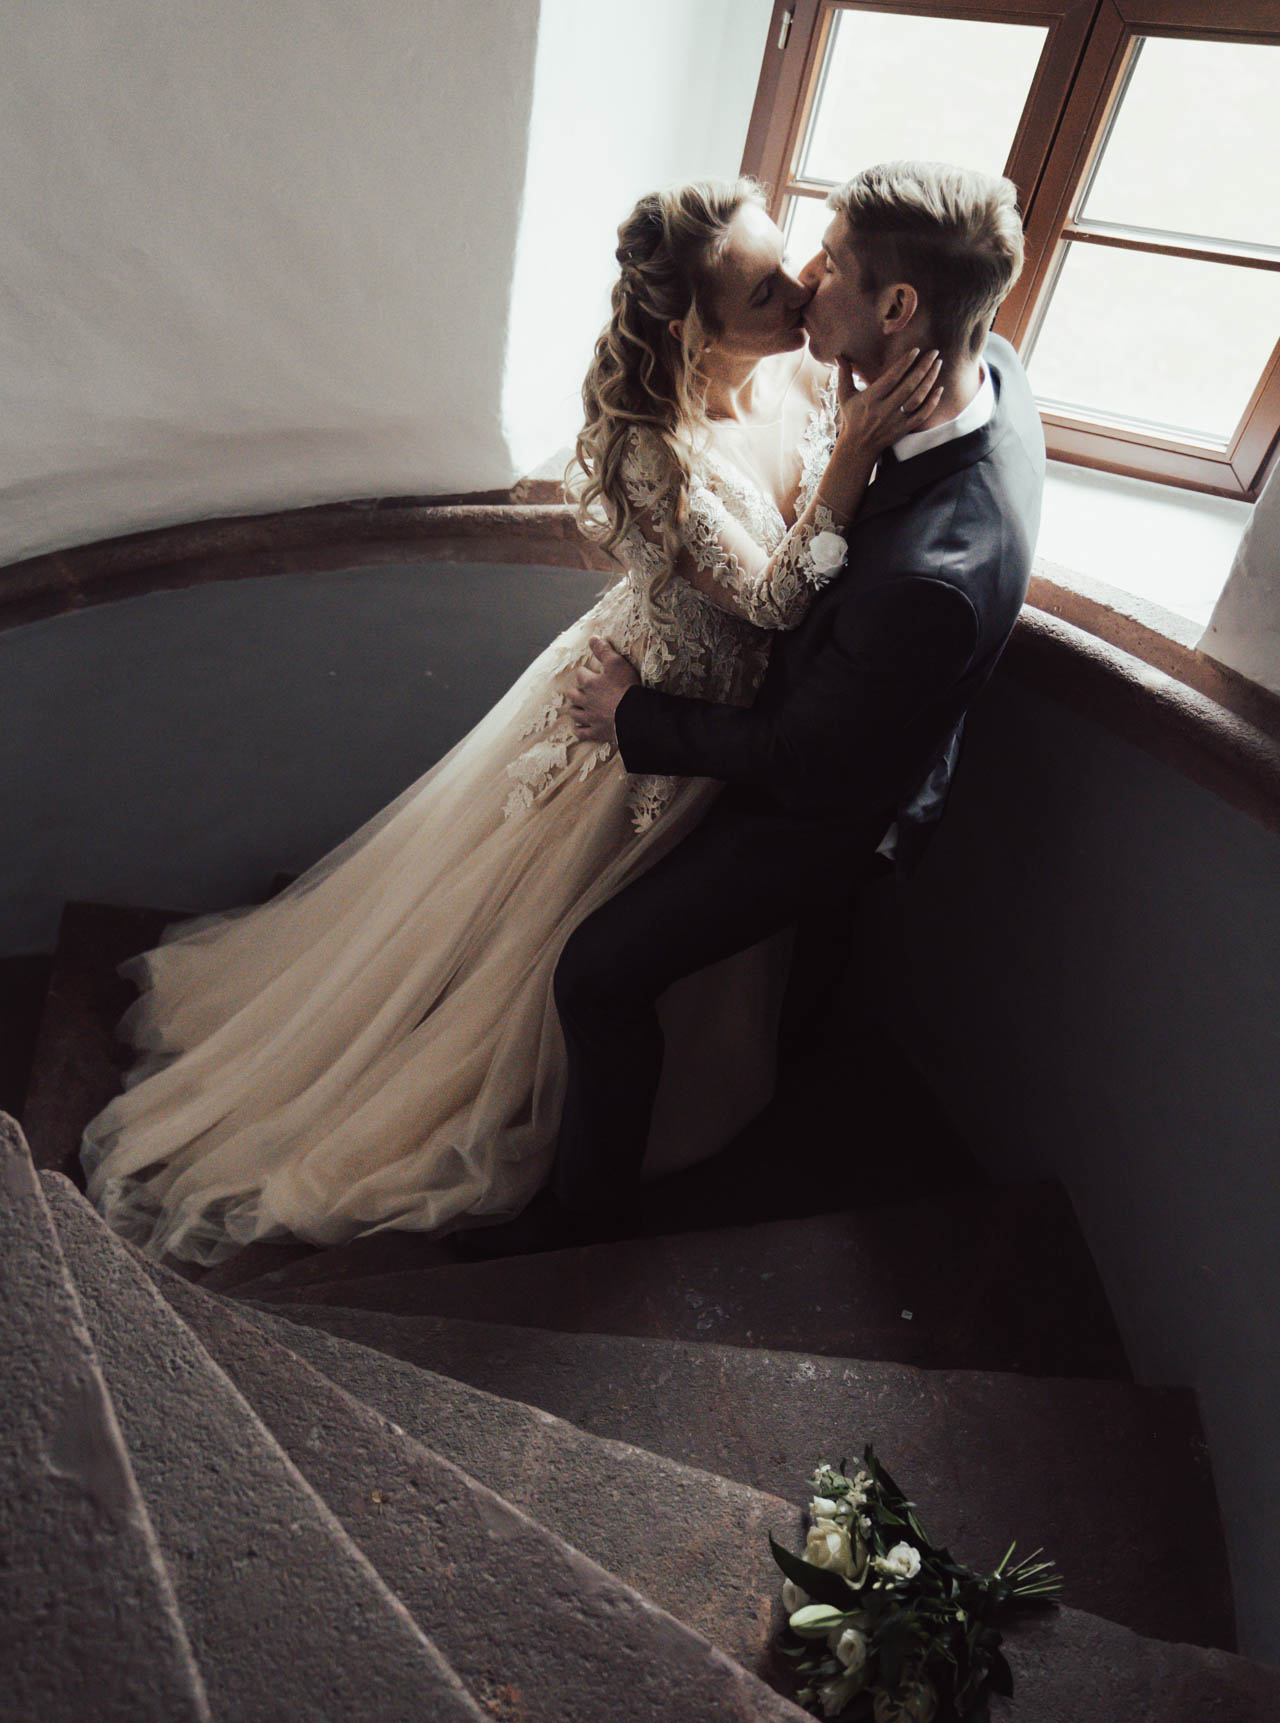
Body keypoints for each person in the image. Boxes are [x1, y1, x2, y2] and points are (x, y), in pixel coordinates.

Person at [80, 176, 940, 1269]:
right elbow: (772, 598)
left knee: (680, 948)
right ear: (694, 326)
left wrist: (847, 438)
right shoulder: (648, 450)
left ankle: (686, 1107)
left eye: (794, 267)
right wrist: (858, 459)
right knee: (546, 945)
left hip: (719, 725)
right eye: (763, 289)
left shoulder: (790, 388)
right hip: (641, 719)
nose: (800, 291)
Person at [551, 159, 1045, 1231]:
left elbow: (804, 755)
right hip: (786, 708)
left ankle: (577, 1228)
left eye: (827, 267)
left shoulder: (929, 575)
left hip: (806, 802)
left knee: (593, 975)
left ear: (900, 308)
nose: (807, 279)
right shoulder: (985, 362)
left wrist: (636, 720)